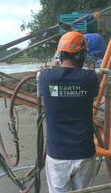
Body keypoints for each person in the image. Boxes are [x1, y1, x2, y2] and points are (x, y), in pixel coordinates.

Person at [39, 31, 99, 192]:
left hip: (57, 156)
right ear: (80, 56)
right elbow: (94, 93)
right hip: (84, 153)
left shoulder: (45, 78)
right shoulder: (90, 78)